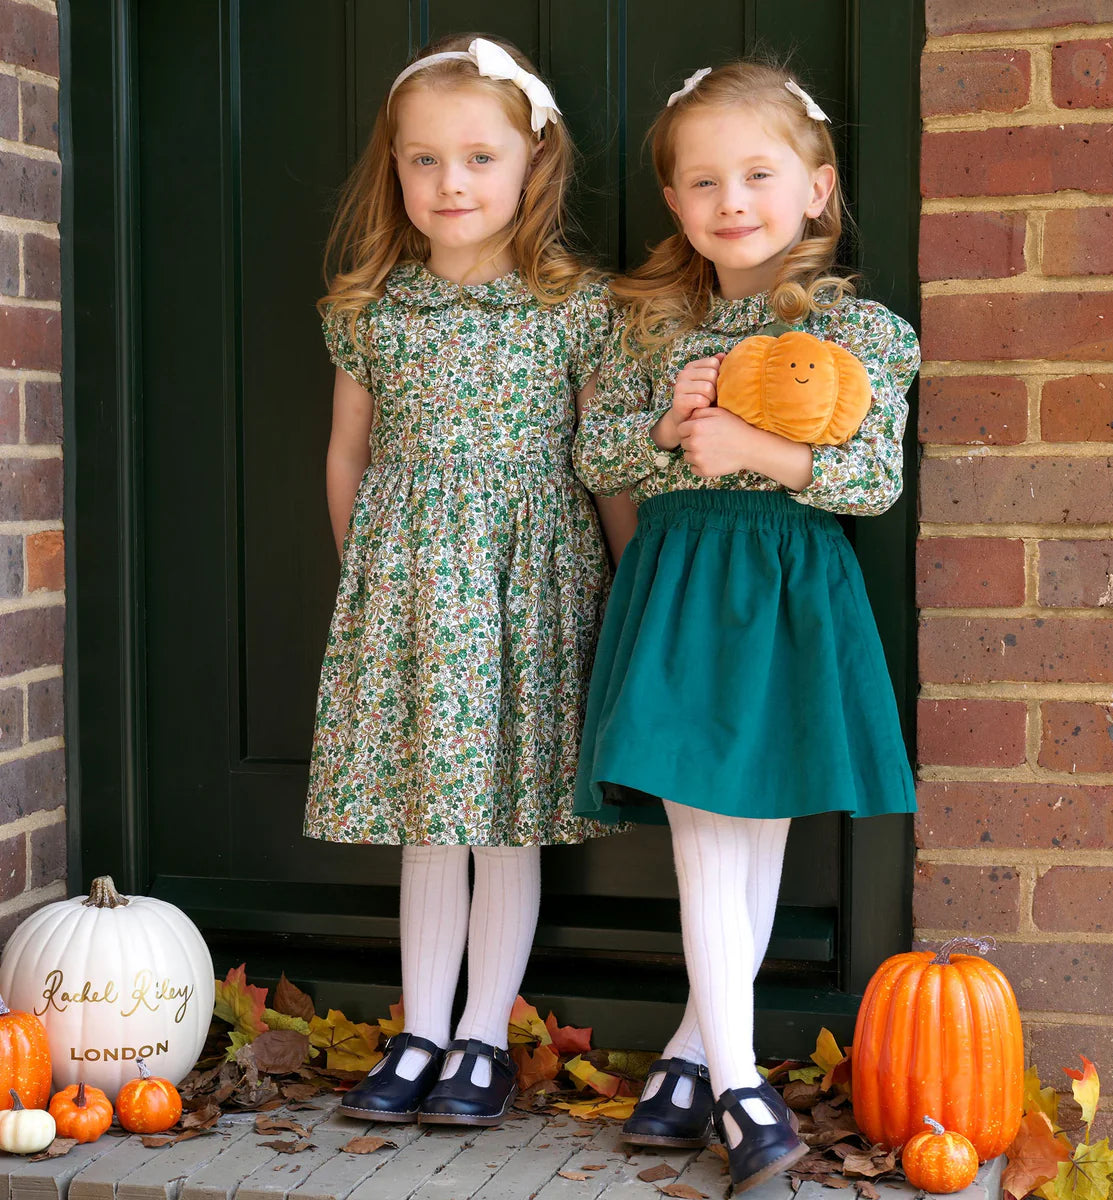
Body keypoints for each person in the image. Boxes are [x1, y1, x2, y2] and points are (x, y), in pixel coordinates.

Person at [572, 60, 920, 1193]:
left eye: (759, 175)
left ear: (816, 188)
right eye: (704, 181)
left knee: (750, 829)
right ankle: (738, 1085)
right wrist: (669, 431)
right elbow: (596, 457)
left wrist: (754, 449)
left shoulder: (861, 330)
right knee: (702, 832)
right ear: (675, 202)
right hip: (682, 586)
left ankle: (690, 1060)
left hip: (786, 589)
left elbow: (871, 480)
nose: (733, 201)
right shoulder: (650, 331)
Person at [304, 32, 632, 1128]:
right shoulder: (372, 309)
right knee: (429, 816)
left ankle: (483, 1037)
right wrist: (369, 577)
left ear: (534, 162)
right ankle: (419, 1034)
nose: (451, 182)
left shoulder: (575, 307)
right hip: (413, 593)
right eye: (425, 159)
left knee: (509, 819)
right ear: (395, 167)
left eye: (480, 158)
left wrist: (627, 584)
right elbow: (348, 453)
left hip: (531, 590)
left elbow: (603, 464)